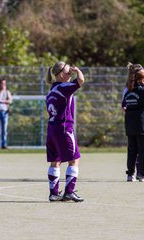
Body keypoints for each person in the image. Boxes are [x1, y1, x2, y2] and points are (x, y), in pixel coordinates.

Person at [45, 61, 85, 202]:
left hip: (51, 128)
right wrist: (78, 70)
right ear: (61, 74)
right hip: (64, 127)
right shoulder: (64, 87)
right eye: (69, 72)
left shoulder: (51, 91)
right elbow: (81, 81)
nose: (71, 73)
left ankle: (53, 193)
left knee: (55, 161)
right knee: (74, 159)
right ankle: (69, 191)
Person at [0, 78, 12, 149]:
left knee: (4, 130)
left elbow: (10, 101)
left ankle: (4, 145)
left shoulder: (7, 92)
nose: (3, 85)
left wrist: (2, 101)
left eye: (4, 84)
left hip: (5, 113)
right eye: (2, 83)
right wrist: (1, 92)